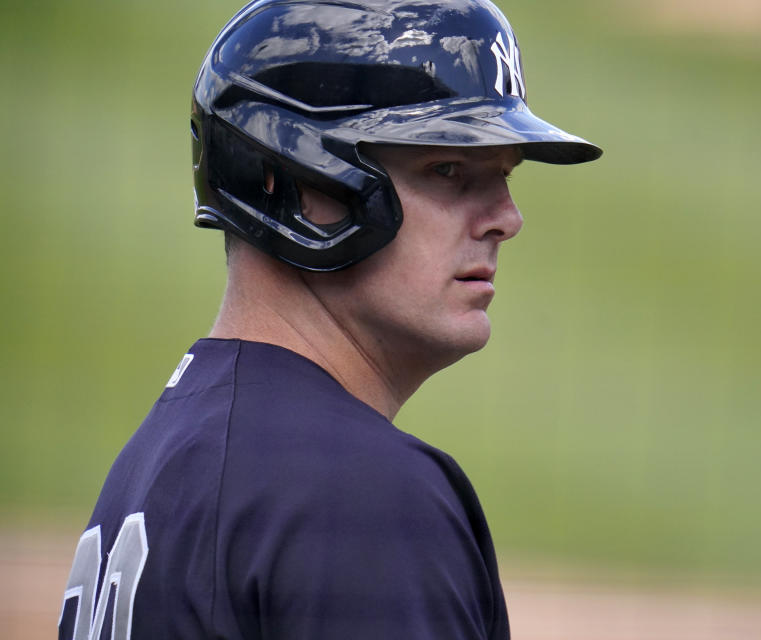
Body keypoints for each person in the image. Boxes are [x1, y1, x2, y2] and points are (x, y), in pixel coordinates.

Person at [57, 0, 600, 638]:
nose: (507, 219)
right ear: (298, 182)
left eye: (504, 177)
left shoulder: (158, 461)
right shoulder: (359, 496)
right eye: (448, 169)